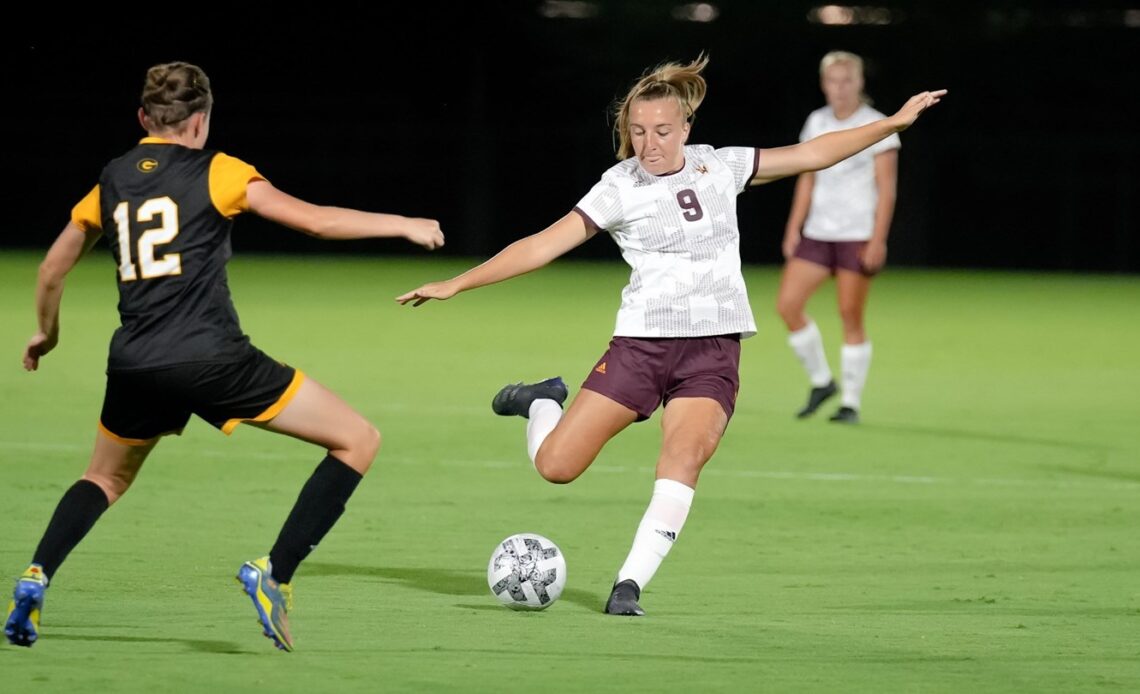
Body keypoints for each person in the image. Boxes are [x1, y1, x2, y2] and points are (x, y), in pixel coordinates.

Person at [397, 54, 943, 616]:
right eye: (636, 132)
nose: (648, 143)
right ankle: (541, 402)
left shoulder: (720, 167)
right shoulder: (618, 186)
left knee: (682, 457)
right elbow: (540, 244)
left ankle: (628, 585)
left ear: (685, 128)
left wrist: (892, 125)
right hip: (640, 348)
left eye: (661, 131)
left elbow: (813, 153)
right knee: (556, 467)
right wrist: (457, 283)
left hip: (712, 351)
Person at [4, 62, 444, 652]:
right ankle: (276, 573)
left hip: (134, 362)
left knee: (103, 477)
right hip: (212, 359)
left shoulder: (111, 179)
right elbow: (313, 220)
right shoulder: (220, 171)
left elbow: (52, 269)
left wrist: (45, 334)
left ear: (143, 119)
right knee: (357, 439)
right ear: (202, 119)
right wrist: (402, 223)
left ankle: (37, 575)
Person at [778, 51, 902, 424]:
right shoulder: (817, 121)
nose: (840, 87)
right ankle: (821, 381)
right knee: (788, 305)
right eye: (833, 80)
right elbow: (806, 175)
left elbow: (887, 188)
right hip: (818, 232)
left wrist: (878, 239)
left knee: (850, 315)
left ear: (860, 83)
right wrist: (793, 225)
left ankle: (850, 402)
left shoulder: (877, 125)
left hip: (856, 234)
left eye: (847, 80)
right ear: (824, 84)